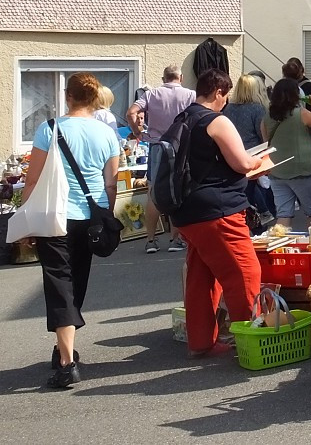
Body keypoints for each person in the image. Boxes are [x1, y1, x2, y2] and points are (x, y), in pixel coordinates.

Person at [26, 73, 120, 387]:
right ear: (95, 98)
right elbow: (110, 183)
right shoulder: (107, 134)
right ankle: (63, 348)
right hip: (89, 220)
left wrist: (28, 216)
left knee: (59, 285)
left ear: (68, 96)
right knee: (75, 282)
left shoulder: (48, 129)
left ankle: (66, 363)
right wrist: (105, 214)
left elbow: (33, 179)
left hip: (55, 215)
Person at [170, 69, 269, 358]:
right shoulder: (216, 120)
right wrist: (258, 161)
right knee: (245, 272)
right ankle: (254, 341)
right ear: (218, 93)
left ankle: (200, 342)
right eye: (224, 96)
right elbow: (240, 163)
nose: (225, 102)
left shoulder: (183, 119)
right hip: (218, 210)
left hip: (186, 211)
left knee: (201, 276)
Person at [126, 65, 194, 254]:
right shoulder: (190, 95)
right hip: (180, 146)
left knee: (153, 192)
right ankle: (175, 239)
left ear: (164, 78)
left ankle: (150, 240)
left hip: (157, 146)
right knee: (178, 191)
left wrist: (137, 131)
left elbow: (131, 112)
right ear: (180, 77)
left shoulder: (151, 94)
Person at [263, 79, 311, 230]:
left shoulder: (267, 117)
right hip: (303, 170)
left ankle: (281, 250)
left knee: (283, 215)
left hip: (278, 172)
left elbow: (266, 141)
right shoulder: (301, 113)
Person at [222, 74, 274, 228]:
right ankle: (260, 226)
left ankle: (254, 224)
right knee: (264, 193)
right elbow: (264, 136)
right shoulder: (258, 108)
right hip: (255, 157)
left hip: (233, 156)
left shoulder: (228, 108)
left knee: (246, 195)